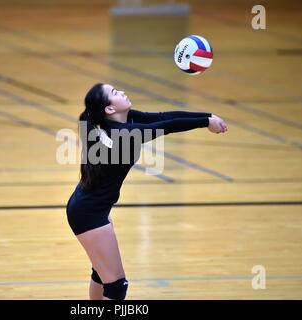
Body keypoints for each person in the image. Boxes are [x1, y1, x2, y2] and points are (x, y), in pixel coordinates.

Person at [66, 83, 228, 300]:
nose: (121, 92)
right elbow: (166, 126)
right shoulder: (122, 133)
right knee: (116, 286)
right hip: (88, 214)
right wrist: (205, 121)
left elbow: (163, 116)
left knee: (102, 274)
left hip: (90, 209)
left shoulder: (127, 118)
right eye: (115, 93)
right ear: (109, 109)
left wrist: (208, 116)